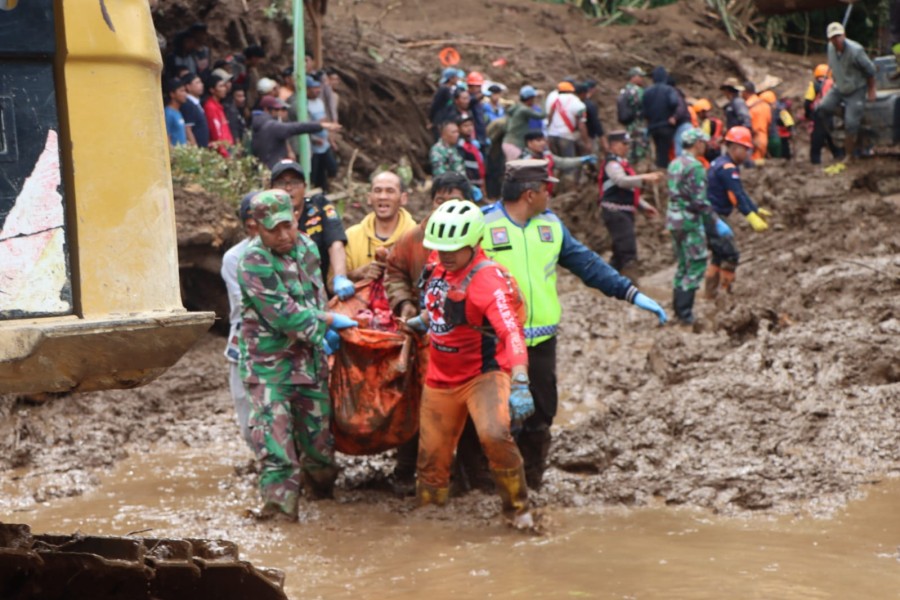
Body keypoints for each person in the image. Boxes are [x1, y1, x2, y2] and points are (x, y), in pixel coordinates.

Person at [480, 159, 667, 489]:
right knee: (497, 421)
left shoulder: (551, 226)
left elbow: (588, 265)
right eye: (545, 189)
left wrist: (630, 292)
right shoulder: (482, 225)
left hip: (540, 342)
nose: (550, 195)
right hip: (492, 342)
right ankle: (485, 489)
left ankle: (531, 486)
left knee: (540, 416)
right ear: (528, 194)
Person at [406, 199, 536, 530]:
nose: (445, 255)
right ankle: (429, 517)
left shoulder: (488, 282)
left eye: (453, 248)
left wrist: (520, 382)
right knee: (431, 456)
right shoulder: (437, 264)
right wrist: (423, 319)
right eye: (439, 248)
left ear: (474, 243)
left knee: (494, 434)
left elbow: (512, 334)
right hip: (440, 375)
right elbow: (439, 301)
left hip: (483, 375)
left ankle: (519, 509)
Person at [238, 189, 359, 521]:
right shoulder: (254, 260)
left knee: (320, 450)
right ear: (256, 227)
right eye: (274, 229)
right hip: (269, 368)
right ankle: (280, 520)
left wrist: (323, 324)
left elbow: (315, 297)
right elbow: (283, 314)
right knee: (277, 453)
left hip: (309, 362)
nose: (284, 235)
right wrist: (328, 324)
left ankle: (322, 499)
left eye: (288, 225)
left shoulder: (306, 247)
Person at [384, 172, 473, 496]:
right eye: (439, 201)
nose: (445, 208)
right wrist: (405, 303)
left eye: (454, 201)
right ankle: (407, 472)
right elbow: (393, 271)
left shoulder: (478, 238)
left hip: (467, 342)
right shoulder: (415, 237)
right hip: (424, 340)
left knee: (468, 411)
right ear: (431, 203)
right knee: (417, 407)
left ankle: (466, 476)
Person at [666, 129, 733, 325]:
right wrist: (715, 221)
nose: (705, 146)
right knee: (696, 262)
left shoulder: (675, 163)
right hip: (689, 221)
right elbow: (700, 200)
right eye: (703, 143)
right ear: (697, 144)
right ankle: (685, 314)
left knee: (682, 263)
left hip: (673, 219)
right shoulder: (695, 167)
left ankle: (678, 309)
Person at [269, 160, 354, 300]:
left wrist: (340, 277)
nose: (288, 188)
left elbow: (335, 243)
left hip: (321, 290)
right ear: (271, 188)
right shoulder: (266, 216)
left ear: (305, 187)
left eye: (295, 182)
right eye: (281, 183)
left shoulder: (319, 207)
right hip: (284, 294)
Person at [705, 126, 770, 297]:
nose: (748, 154)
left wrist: (756, 209)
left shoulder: (720, 163)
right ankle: (725, 294)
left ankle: (710, 293)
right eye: (746, 149)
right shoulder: (727, 168)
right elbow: (737, 195)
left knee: (719, 255)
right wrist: (751, 217)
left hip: (710, 215)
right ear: (736, 148)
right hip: (714, 216)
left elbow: (741, 192)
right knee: (731, 254)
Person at [221, 192, 259, 449]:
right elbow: (246, 304)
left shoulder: (294, 250)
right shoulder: (235, 258)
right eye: (252, 217)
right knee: (247, 420)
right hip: (244, 340)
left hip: (284, 342)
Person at [598, 131, 664, 280]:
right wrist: (645, 178)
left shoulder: (623, 163)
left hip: (625, 210)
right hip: (615, 211)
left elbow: (629, 189)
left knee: (619, 251)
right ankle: (631, 285)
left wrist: (644, 206)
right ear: (614, 145)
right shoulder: (612, 164)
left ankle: (604, 280)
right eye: (624, 144)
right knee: (628, 250)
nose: (627, 147)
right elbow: (621, 181)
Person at [817, 21, 877, 162]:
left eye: (839, 36)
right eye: (833, 37)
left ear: (844, 35)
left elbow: (870, 70)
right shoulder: (830, 49)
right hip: (839, 87)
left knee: (851, 124)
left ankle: (849, 154)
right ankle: (840, 127)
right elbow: (833, 66)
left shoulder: (856, 51)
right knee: (822, 108)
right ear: (829, 39)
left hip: (856, 89)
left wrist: (871, 89)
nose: (837, 40)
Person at [344, 171, 417, 281]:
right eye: (377, 191)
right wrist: (356, 275)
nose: (383, 197)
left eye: (390, 191)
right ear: (369, 197)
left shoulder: (416, 237)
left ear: (403, 198)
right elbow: (331, 284)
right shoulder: (351, 236)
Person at [250, 96, 339, 168]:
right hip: (271, 167)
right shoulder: (271, 125)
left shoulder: (254, 122)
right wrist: (320, 125)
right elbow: (295, 127)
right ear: (266, 109)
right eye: (276, 110)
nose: (279, 113)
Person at [520, 130, 596, 195]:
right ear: (529, 143)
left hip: (545, 196)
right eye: (539, 140)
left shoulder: (546, 155)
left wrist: (582, 160)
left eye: (543, 140)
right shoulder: (525, 161)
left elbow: (562, 163)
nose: (543, 143)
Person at [642, 66, 680, 168]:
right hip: (666, 125)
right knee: (664, 152)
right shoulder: (669, 90)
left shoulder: (647, 91)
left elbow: (643, 111)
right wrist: (671, 114)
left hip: (653, 126)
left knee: (659, 150)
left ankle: (659, 170)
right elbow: (674, 102)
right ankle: (663, 173)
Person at [804, 64, 842, 165]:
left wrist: (808, 114)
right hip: (833, 114)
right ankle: (839, 156)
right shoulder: (834, 84)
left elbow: (807, 102)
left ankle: (815, 161)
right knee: (833, 137)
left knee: (817, 139)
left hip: (819, 114)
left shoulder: (814, 85)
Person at [307, 76, 339, 192]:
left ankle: (326, 190)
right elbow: (304, 126)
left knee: (332, 168)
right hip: (314, 147)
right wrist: (314, 140)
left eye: (318, 88)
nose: (317, 90)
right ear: (307, 90)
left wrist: (331, 139)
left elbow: (325, 121)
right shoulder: (305, 105)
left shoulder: (319, 102)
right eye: (313, 88)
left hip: (324, 143)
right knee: (314, 173)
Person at [545, 81, 588, 160]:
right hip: (566, 137)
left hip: (552, 135)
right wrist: (586, 142)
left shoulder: (553, 99)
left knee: (555, 164)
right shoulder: (577, 103)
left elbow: (549, 117)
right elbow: (581, 125)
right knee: (569, 165)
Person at [618, 66, 651, 164]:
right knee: (641, 150)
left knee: (630, 147)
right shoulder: (638, 91)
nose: (642, 79)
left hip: (628, 125)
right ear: (633, 77)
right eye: (640, 76)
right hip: (639, 124)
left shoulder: (624, 90)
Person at [502, 85, 544, 161]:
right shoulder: (524, 109)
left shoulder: (517, 106)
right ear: (530, 99)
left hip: (508, 142)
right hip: (514, 145)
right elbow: (542, 115)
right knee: (514, 169)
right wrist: (542, 100)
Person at [204, 74, 236, 158]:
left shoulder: (218, 106)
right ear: (212, 90)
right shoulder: (210, 107)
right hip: (223, 152)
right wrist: (225, 154)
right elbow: (216, 132)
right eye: (221, 86)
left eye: (224, 86)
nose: (224, 89)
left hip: (228, 147)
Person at [742, 81, 771, 163]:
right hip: (763, 137)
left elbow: (747, 123)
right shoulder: (765, 105)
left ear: (745, 92)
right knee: (760, 164)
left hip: (753, 138)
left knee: (752, 165)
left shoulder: (746, 106)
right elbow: (769, 122)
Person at [180, 73, 209, 149]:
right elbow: (188, 129)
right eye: (197, 83)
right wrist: (195, 149)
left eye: (201, 82)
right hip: (197, 149)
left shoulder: (196, 103)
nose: (201, 85)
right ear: (188, 87)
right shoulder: (188, 104)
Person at [457, 115, 486, 192]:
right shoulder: (460, 145)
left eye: (471, 125)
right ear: (459, 128)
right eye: (465, 126)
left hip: (479, 180)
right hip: (469, 182)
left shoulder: (473, 143)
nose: (469, 128)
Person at [429, 67, 461, 139]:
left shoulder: (451, 90)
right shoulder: (443, 90)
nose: (457, 79)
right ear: (451, 78)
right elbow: (435, 105)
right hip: (441, 120)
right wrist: (432, 119)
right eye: (456, 77)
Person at [578, 80, 607, 155]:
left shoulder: (577, 103)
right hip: (589, 136)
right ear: (592, 89)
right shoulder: (589, 105)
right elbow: (596, 123)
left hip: (577, 135)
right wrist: (603, 140)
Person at [692, 99, 724, 163]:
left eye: (698, 113)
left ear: (701, 112)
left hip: (710, 151)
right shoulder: (716, 121)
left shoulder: (707, 123)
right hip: (717, 149)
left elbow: (704, 137)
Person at [465, 72, 489, 147]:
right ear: (470, 86)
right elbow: (470, 102)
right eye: (477, 86)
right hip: (473, 134)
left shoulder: (478, 101)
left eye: (480, 86)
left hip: (481, 133)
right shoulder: (467, 98)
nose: (479, 89)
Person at [164, 78, 188, 147]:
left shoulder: (178, 111)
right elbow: (166, 136)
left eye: (185, 91)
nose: (185, 94)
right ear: (172, 94)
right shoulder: (168, 113)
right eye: (182, 91)